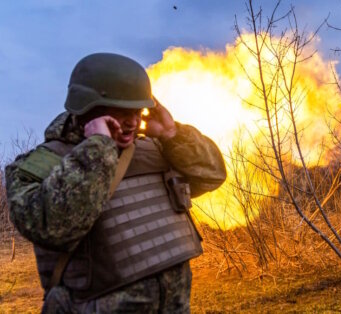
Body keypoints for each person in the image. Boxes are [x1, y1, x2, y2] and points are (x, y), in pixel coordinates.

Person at [5, 53, 227, 313]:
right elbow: (52, 227)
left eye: (137, 111)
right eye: (121, 111)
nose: (132, 122)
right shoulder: (39, 168)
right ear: (88, 108)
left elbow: (212, 176)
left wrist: (172, 135)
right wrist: (98, 149)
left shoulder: (154, 149)